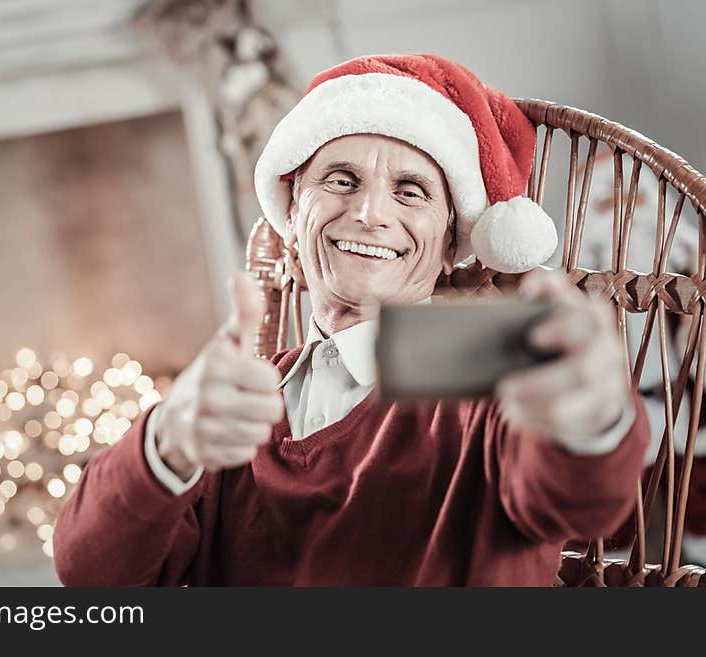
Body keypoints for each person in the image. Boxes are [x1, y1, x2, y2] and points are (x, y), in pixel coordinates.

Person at [53, 54, 649, 586]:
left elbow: (582, 501)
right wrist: (168, 441)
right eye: (341, 181)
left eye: (411, 191)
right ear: (294, 215)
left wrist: (590, 420)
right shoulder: (232, 404)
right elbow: (90, 573)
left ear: (449, 245)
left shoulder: (492, 372)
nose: (367, 213)